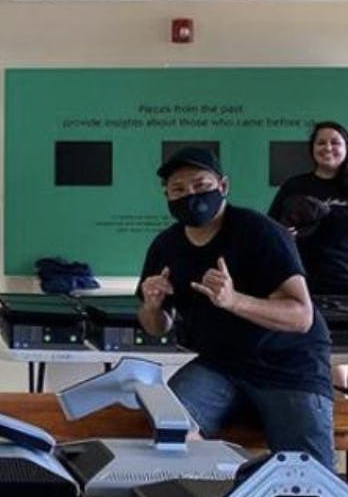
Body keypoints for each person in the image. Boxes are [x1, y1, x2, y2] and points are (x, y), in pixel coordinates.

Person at [137, 147, 335, 469]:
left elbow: (302, 316)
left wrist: (234, 301)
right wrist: (152, 306)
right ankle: (215, 485)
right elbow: (157, 326)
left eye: (201, 186)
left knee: (308, 473)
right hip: (221, 365)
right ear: (166, 195)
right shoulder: (166, 245)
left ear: (223, 186)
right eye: (179, 189)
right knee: (168, 424)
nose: (191, 196)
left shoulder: (261, 232)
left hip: (288, 367)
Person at [269, 121, 348, 397]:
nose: (328, 148)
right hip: (314, 286)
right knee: (327, 356)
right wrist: (287, 234)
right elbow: (275, 232)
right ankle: (337, 429)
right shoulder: (296, 186)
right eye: (321, 143)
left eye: (335, 142)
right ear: (312, 149)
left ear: (346, 148)